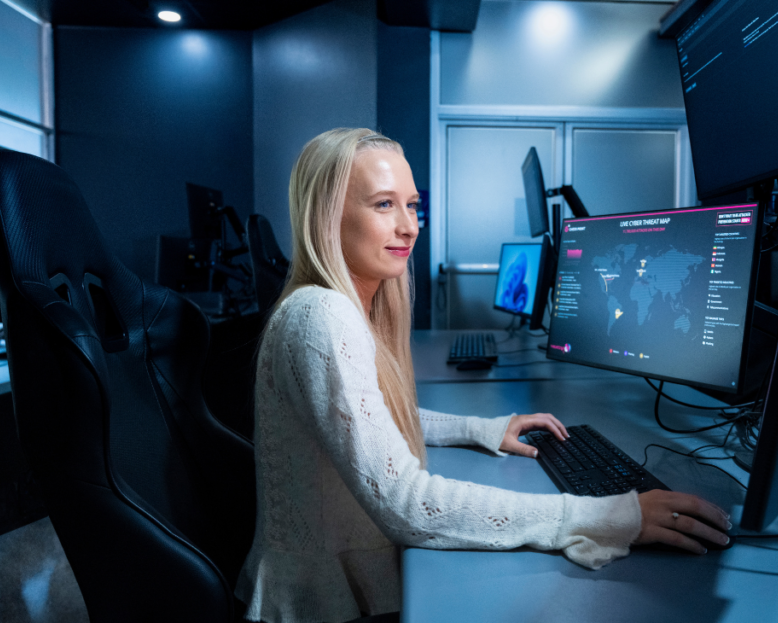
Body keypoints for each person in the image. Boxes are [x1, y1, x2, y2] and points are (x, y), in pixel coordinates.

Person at [235, 128, 731, 623]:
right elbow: (408, 504)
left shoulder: (336, 306)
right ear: (326, 216)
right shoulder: (323, 315)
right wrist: (606, 517)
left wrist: (482, 429)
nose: (409, 227)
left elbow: (372, 415)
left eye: (412, 205)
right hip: (318, 608)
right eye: (384, 205)